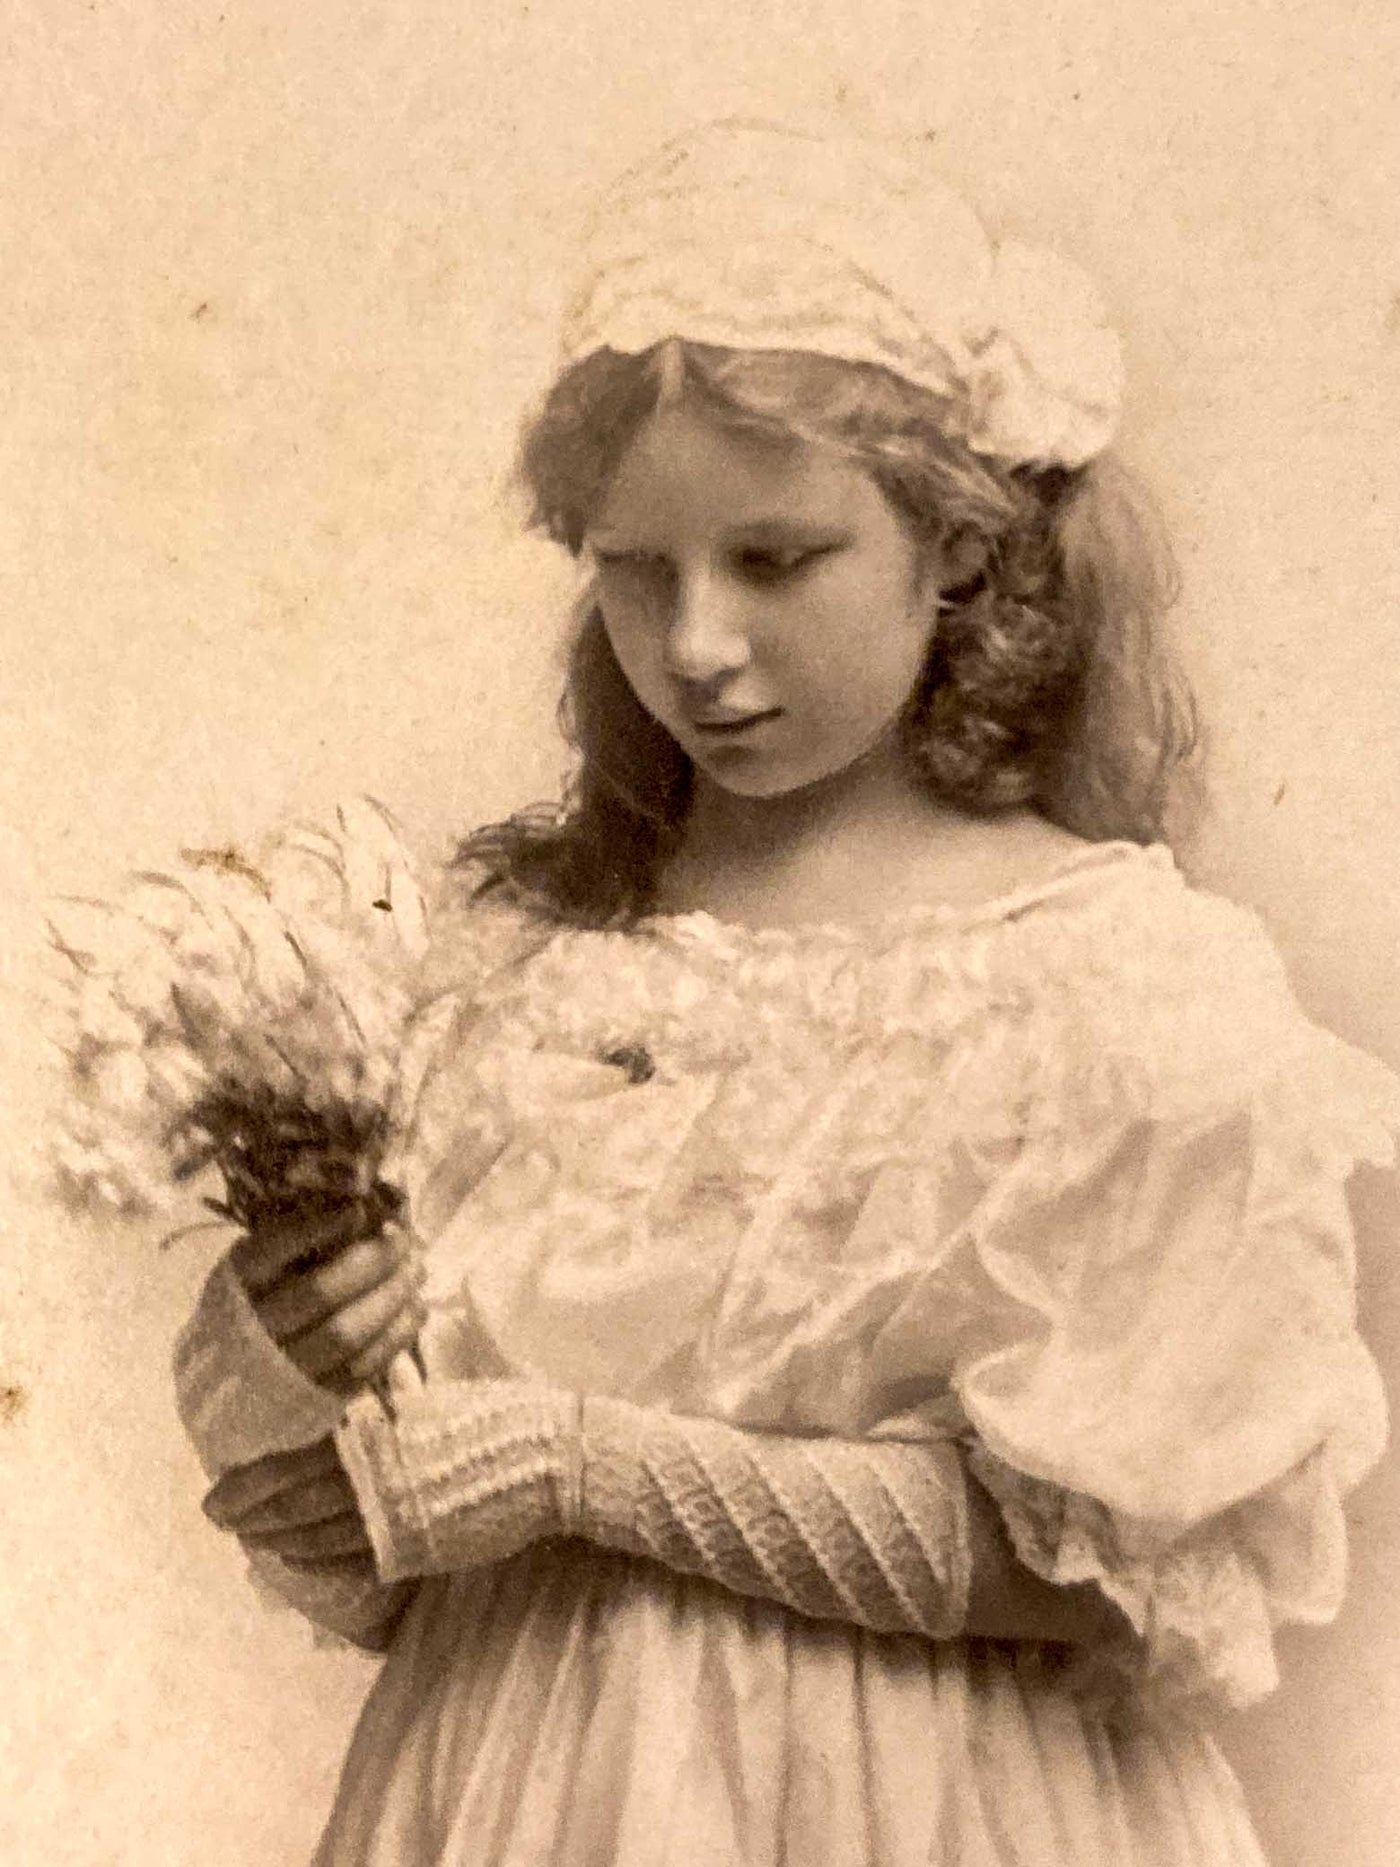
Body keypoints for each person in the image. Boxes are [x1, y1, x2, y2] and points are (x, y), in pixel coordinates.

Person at [176, 122, 1399, 1865]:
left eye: (775, 558)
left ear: (956, 546)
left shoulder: (1123, 989)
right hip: (526, 1790)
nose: (693, 645)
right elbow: (352, 1535)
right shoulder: (504, 965)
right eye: (631, 566)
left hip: (933, 1803)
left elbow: (1103, 1574)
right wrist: (287, 1347)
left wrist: (588, 1469)